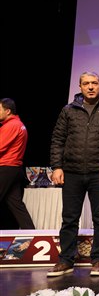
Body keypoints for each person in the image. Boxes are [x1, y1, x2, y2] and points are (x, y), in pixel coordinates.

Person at [48, 71, 99, 277]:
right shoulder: (68, 110)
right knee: (69, 218)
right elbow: (58, 139)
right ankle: (66, 260)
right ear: (80, 86)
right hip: (72, 172)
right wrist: (57, 166)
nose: (90, 87)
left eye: (94, 83)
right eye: (86, 83)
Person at [0, 98, 35, 230]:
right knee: (16, 204)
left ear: (8, 111)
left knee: (16, 204)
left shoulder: (11, 125)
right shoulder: (17, 124)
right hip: (13, 169)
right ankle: (31, 233)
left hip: (6, 167)